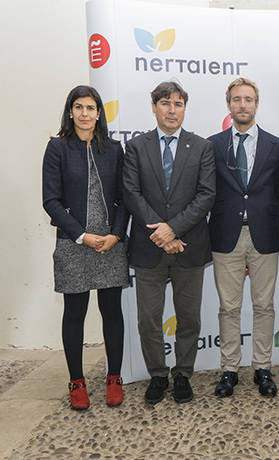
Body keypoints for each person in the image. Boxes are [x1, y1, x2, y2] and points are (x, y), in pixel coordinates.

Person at [122, 81, 216, 405]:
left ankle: (183, 374)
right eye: (165, 103)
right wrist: (161, 235)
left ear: (184, 109)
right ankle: (158, 375)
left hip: (188, 246)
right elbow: (131, 193)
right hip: (149, 249)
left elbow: (206, 195)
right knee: (148, 318)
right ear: (154, 107)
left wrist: (173, 230)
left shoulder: (201, 147)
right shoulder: (135, 147)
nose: (172, 109)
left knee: (189, 317)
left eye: (178, 104)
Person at [42, 85, 129, 410]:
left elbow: (124, 198)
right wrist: (81, 235)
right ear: (70, 112)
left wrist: (116, 235)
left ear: (98, 113)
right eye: (78, 107)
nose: (84, 113)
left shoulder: (114, 149)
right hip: (73, 244)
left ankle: (114, 378)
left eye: (90, 108)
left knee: (112, 313)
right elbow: (50, 200)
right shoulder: (57, 148)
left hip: (110, 245)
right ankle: (76, 381)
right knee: (75, 314)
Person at [207, 78, 279, 398]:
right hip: (225, 236)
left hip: (264, 234)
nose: (243, 105)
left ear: (256, 104)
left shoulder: (277, 145)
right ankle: (229, 369)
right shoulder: (212, 145)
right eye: (237, 99)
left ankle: (262, 367)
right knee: (228, 307)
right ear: (228, 104)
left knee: (264, 305)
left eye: (249, 99)